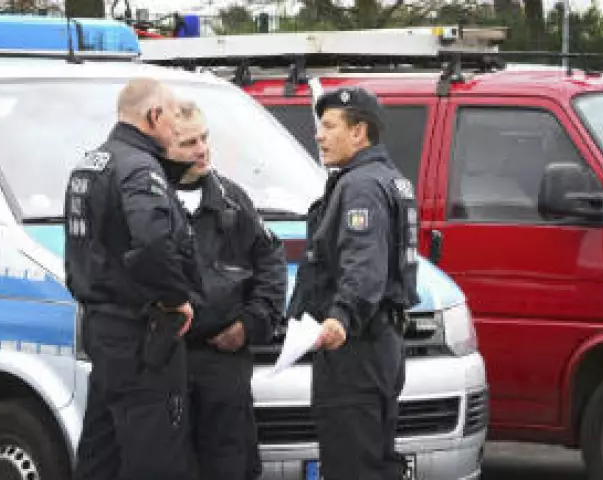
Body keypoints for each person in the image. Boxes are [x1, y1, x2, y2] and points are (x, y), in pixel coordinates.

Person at [64, 78, 202, 480]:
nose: (178, 125)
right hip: (141, 336)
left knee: (101, 454)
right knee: (155, 458)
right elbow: (153, 244)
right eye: (174, 114)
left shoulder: (90, 164)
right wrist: (176, 298)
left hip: (103, 329)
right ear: (153, 116)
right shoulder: (140, 168)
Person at [286, 86, 421, 480]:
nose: (318, 135)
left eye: (329, 126)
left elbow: (364, 265)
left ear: (359, 132)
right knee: (375, 459)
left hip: (355, 351)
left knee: (351, 464)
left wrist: (341, 317)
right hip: (380, 346)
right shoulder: (388, 179)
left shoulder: (360, 185)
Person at [167, 100, 287, 480]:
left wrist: (251, 324)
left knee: (230, 465)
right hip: (166, 362)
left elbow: (271, 262)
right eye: (188, 143)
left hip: (223, 363)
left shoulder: (232, 199)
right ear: (163, 147)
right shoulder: (146, 199)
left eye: (204, 138)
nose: (202, 149)